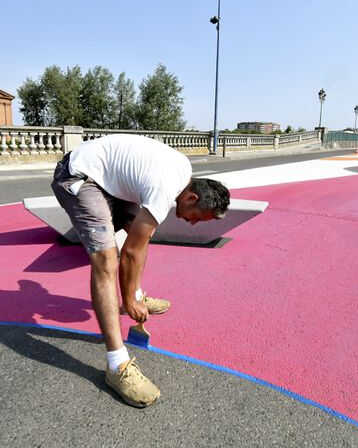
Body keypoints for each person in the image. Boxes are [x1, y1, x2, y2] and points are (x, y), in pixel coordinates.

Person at [51, 134, 230, 407]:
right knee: (106, 260)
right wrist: (130, 301)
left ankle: (134, 295)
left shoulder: (183, 174)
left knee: (142, 231)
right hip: (78, 176)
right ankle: (117, 365)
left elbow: (138, 243)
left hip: (106, 179)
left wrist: (132, 295)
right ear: (192, 197)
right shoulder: (164, 188)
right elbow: (131, 252)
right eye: (197, 217)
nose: (192, 224)